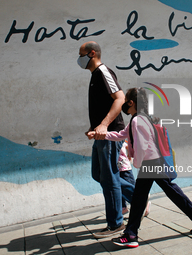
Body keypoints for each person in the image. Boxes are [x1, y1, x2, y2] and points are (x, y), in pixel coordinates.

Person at [89, 87, 192, 248]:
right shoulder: (137, 118)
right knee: (146, 197)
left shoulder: (139, 120)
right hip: (152, 162)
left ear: (131, 102)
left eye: (125, 100)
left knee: (161, 193)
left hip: (152, 163)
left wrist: (136, 162)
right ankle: (131, 234)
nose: (123, 103)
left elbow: (142, 145)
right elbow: (121, 135)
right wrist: (101, 134)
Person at [78, 41, 132, 238]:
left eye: (81, 54)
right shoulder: (95, 76)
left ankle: (116, 224)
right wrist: (94, 127)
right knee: (99, 174)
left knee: (108, 178)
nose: (79, 59)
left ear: (92, 54)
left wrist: (103, 125)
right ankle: (138, 197)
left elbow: (120, 98)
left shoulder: (103, 71)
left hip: (109, 134)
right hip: (100, 133)